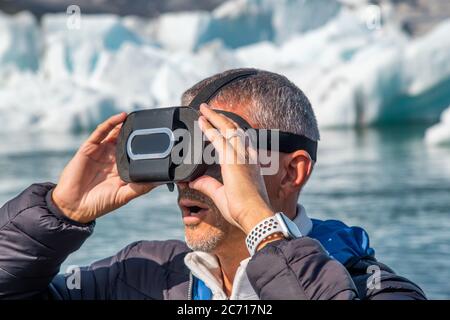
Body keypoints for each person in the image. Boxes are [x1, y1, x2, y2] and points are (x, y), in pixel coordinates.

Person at [0, 69, 425, 300]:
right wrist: (56, 215)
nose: (189, 178)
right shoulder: (143, 277)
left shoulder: (368, 286)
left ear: (293, 173)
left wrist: (262, 228)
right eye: (181, 150)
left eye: (218, 149)